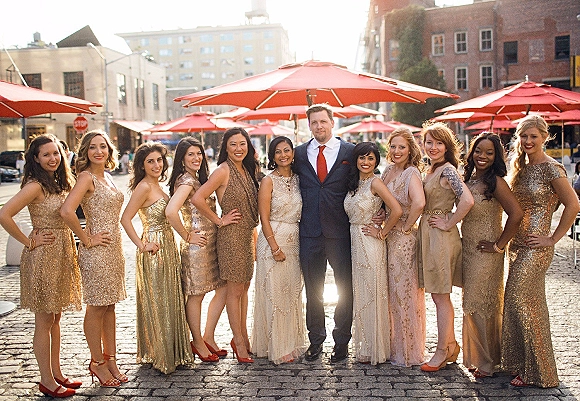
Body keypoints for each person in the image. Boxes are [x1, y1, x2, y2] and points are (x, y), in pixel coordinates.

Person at [0, 135, 81, 398]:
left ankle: (56, 373)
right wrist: (28, 241)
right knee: (44, 320)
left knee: (56, 318)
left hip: (62, 252)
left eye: (56, 153)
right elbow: (4, 214)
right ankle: (46, 380)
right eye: (46, 154)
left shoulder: (59, 182)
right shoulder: (35, 185)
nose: (53, 158)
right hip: (44, 255)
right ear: (35, 158)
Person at [502, 115, 579, 388]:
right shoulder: (520, 168)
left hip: (537, 247)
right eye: (523, 136)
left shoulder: (552, 169)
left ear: (545, 137)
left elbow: (573, 204)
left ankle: (539, 372)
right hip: (517, 245)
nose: (528, 141)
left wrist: (553, 238)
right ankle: (522, 364)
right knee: (520, 303)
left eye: (533, 136)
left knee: (521, 300)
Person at [60, 130, 126, 388]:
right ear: (85, 152)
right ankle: (97, 362)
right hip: (96, 252)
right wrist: (86, 239)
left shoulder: (107, 176)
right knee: (97, 307)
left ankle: (111, 360)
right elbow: (67, 211)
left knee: (110, 307)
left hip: (114, 250)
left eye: (103, 146)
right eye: (93, 147)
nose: (99, 151)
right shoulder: (86, 177)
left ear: (109, 150)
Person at [120, 142, 193, 374]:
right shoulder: (143, 187)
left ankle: (173, 352)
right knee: (159, 300)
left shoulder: (158, 185)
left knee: (170, 298)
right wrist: (143, 245)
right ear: (142, 165)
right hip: (154, 248)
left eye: (159, 160)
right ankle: (162, 355)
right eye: (150, 161)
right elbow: (125, 219)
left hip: (168, 245)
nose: (156, 165)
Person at [293, 103, 355, 363]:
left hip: (340, 232)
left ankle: (341, 342)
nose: (319, 126)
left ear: (332, 122)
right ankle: (315, 340)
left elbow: (366, 183)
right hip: (309, 232)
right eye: (314, 122)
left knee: (345, 289)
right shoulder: (298, 153)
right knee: (313, 290)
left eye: (323, 121)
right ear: (309, 125)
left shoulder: (350, 152)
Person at [192, 128, 259, 363]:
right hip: (231, 237)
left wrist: (255, 236)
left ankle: (243, 336)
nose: (238, 148)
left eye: (242, 144)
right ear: (226, 148)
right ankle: (238, 341)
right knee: (234, 291)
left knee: (245, 288)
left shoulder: (247, 169)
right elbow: (197, 198)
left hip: (247, 235)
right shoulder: (223, 170)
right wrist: (219, 220)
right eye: (233, 144)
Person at [461, 132, 523, 378]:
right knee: (471, 302)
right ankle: (480, 357)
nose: (482, 156)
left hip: (487, 251)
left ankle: (487, 362)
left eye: (489, 153)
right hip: (468, 248)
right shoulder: (470, 179)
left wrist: (499, 245)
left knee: (481, 303)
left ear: (496, 156)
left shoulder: (496, 182)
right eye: (478, 151)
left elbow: (516, 214)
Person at [165, 138, 230, 363]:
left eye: (199, 153)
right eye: (190, 154)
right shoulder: (186, 181)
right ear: (182, 159)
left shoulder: (197, 179)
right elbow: (171, 211)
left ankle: (208, 336)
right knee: (196, 295)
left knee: (222, 288)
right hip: (197, 247)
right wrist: (186, 235)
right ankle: (198, 342)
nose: (196, 158)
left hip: (210, 244)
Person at [418, 122, 474, 372]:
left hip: (440, 237)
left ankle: (442, 351)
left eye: (439, 143)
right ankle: (449, 345)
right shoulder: (431, 169)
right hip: (428, 234)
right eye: (429, 142)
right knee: (437, 295)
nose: (433, 147)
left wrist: (449, 221)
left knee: (441, 296)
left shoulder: (448, 171)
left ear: (447, 146)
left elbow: (467, 200)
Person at [251, 136, 307, 364]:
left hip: (295, 242)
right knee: (275, 294)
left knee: (291, 294)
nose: (283, 155)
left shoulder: (300, 179)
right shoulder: (268, 181)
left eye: (287, 150)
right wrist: (274, 247)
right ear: (272, 156)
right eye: (278, 152)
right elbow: (263, 217)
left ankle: (290, 342)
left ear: (293, 153)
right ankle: (276, 346)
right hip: (272, 241)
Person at [344, 142, 402, 365]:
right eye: (362, 157)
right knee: (361, 294)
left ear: (376, 161)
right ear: (356, 160)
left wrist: (382, 232)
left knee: (372, 293)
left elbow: (396, 209)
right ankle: (366, 345)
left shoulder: (376, 182)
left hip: (370, 243)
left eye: (370, 158)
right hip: (354, 241)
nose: (366, 162)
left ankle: (376, 348)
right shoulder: (354, 183)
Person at [380, 128, 427, 367]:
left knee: (404, 293)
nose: (397, 151)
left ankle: (408, 350)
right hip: (388, 239)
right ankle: (392, 345)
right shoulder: (388, 171)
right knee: (391, 293)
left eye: (402, 147)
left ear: (410, 150)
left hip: (404, 241)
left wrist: (407, 227)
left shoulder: (411, 173)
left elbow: (419, 203)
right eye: (393, 146)